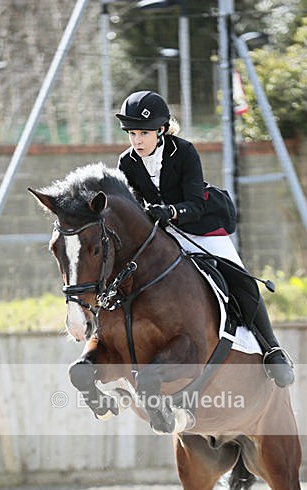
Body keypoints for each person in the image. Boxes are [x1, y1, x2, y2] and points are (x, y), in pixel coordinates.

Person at [116, 89, 294, 388]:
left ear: (160, 130)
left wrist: (170, 211)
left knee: (240, 278)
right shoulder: (127, 162)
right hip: (163, 233)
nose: (137, 141)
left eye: (143, 133)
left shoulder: (183, 151)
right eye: (132, 133)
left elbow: (196, 203)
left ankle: (272, 349)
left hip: (199, 225)